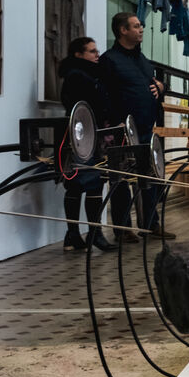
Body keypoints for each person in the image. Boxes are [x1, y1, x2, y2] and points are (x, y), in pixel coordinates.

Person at [98, 12, 175, 241]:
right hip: (121, 130)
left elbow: (154, 84)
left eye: (140, 26)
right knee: (122, 180)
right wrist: (114, 121)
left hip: (145, 128)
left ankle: (150, 225)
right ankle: (123, 230)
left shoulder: (142, 59)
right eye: (136, 26)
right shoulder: (109, 60)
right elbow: (103, 94)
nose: (141, 29)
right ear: (123, 30)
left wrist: (161, 87)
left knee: (148, 177)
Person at [58, 36, 117, 253]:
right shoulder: (78, 76)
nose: (97, 54)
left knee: (87, 183)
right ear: (79, 54)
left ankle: (77, 234)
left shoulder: (88, 75)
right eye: (92, 51)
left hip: (90, 134)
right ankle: (88, 234)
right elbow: (84, 105)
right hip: (83, 135)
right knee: (86, 182)